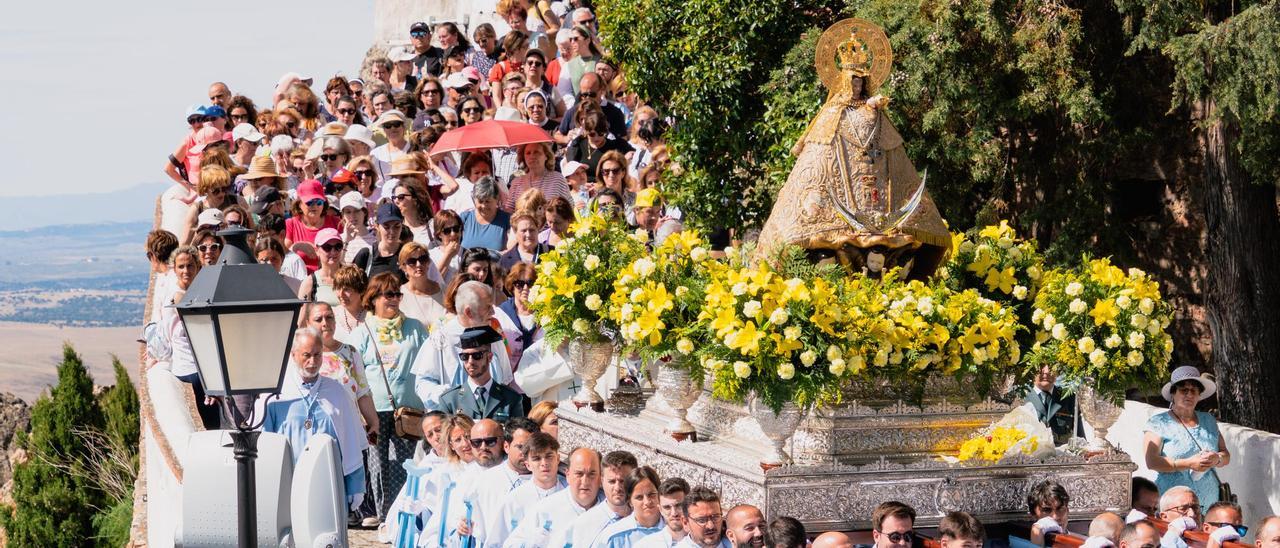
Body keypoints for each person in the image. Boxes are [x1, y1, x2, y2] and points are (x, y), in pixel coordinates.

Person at [349, 272, 430, 527]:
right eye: (388, 294)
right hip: (373, 409)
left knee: (403, 464)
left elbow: (428, 364)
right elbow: (351, 371)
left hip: (407, 410)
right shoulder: (362, 332)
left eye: (397, 294)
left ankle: (400, 513)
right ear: (373, 298)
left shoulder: (415, 328)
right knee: (376, 464)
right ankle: (381, 514)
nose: (394, 299)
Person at [262, 328, 369, 514]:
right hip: (289, 480)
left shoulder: (336, 391)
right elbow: (265, 443)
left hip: (327, 480)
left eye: (317, 355)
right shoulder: (276, 393)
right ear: (293, 354)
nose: (312, 362)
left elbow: (350, 441)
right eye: (306, 355)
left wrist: (355, 485)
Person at [412, 280, 514, 409]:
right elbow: (423, 384)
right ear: (469, 312)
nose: (493, 312)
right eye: (488, 307)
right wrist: (451, 396)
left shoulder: (494, 338)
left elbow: (505, 381)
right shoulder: (440, 340)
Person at [1144, 365, 1229, 509]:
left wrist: (1217, 459)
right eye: (1184, 390)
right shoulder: (1158, 422)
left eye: (1194, 391)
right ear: (1173, 394)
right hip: (1173, 504)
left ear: (1199, 395)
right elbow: (1151, 461)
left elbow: (1225, 454)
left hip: (1208, 502)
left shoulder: (1208, 420)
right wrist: (1189, 463)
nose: (1189, 395)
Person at [304, 301, 379, 437]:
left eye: (329, 317)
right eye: (318, 319)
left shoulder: (350, 352)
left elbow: (362, 392)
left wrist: (373, 422)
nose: (325, 323)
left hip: (352, 430)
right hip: (319, 432)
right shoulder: (302, 356)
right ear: (308, 323)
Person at [462, 417, 540, 546]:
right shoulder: (485, 481)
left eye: (532, 447)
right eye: (520, 447)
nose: (526, 453)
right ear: (506, 446)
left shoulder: (547, 482)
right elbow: (473, 528)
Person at [505, 447, 603, 547]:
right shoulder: (546, 509)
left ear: (601, 478)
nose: (585, 482)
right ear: (568, 475)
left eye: (592, 474)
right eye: (579, 474)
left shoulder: (611, 512)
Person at [492, 431, 566, 544]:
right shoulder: (514, 500)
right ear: (528, 465)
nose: (544, 463)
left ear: (558, 458)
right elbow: (496, 542)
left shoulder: (570, 493)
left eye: (549, 456)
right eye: (536, 458)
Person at [437, 326, 526, 420]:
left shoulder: (511, 398)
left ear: (490, 357)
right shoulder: (450, 400)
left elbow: (517, 433)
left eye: (477, 355)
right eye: (465, 356)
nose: (470, 361)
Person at [601, 466, 666, 547]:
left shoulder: (676, 530)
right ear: (630, 501)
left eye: (651, 494)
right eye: (639, 497)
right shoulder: (614, 537)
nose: (647, 502)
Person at [565, 110, 635, 182]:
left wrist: (626, 159)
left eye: (601, 133)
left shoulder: (615, 145)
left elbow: (636, 154)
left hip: (606, 186)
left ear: (605, 131)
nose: (596, 138)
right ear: (586, 131)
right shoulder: (578, 144)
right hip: (582, 186)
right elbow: (570, 171)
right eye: (592, 134)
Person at [496, 262, 542, 368]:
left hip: (541, 376)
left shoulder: (547, 314)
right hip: (509, 376)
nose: (525, 288)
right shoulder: (500, 314)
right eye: (520, 284)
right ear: (512, 286)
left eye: (531, 283)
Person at [1025, 364, 1083, 445]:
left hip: (1063, 455)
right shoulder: (1021, 398)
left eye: (1051, 367)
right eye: (1041, 366)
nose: (1047, 371)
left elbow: (1080, 437)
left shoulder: (1068, 398)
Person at [353, 203, 407, 282]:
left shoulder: (408, 255)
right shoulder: (366, 255)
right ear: (377, 226)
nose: (392, 231)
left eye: (397, 226)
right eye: (386, 227)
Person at [398, 241, 447, 326]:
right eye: (412, 261)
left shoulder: (444, 290)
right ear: (403, 267)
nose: (418, 264)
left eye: (423, 259)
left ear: (428, 262)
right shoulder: (398, 295)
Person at [460, 177, 512, 251]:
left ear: (497, 199)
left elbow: (510, 252)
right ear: (474, 199)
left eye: (487, 201)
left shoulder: (507, 220)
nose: (484, 206)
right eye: (480, 201)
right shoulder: (465, 218)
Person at [297, 228, 346, 306]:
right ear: (317, 251)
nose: (333, 251)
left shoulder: (352, 277)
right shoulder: (310, 282)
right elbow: (301, 316)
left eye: (338, 246)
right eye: (327, 247)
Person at [331, 265, 368, 344]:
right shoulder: (331, 315)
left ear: (361, 290)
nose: (341, 294)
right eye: (338, 288)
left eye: (347, 289)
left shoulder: (372, 316)